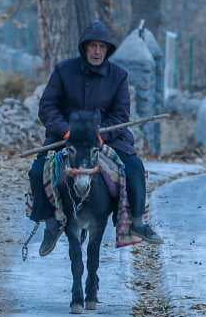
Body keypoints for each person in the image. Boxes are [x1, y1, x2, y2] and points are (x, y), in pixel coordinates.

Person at [29, 21, 164, 256]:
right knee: (37, 170)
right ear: (85, 48)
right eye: (93, 46)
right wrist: (66, 131)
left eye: (102, 47)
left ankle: (138, 221)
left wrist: (100, 134)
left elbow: (121, 115)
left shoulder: (119, 76)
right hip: (65, 137)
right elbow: (48, 106)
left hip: (107, 138)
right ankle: (51, 225)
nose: (97, 51)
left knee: (134, 167)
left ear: (108, 50)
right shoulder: (63, 70)